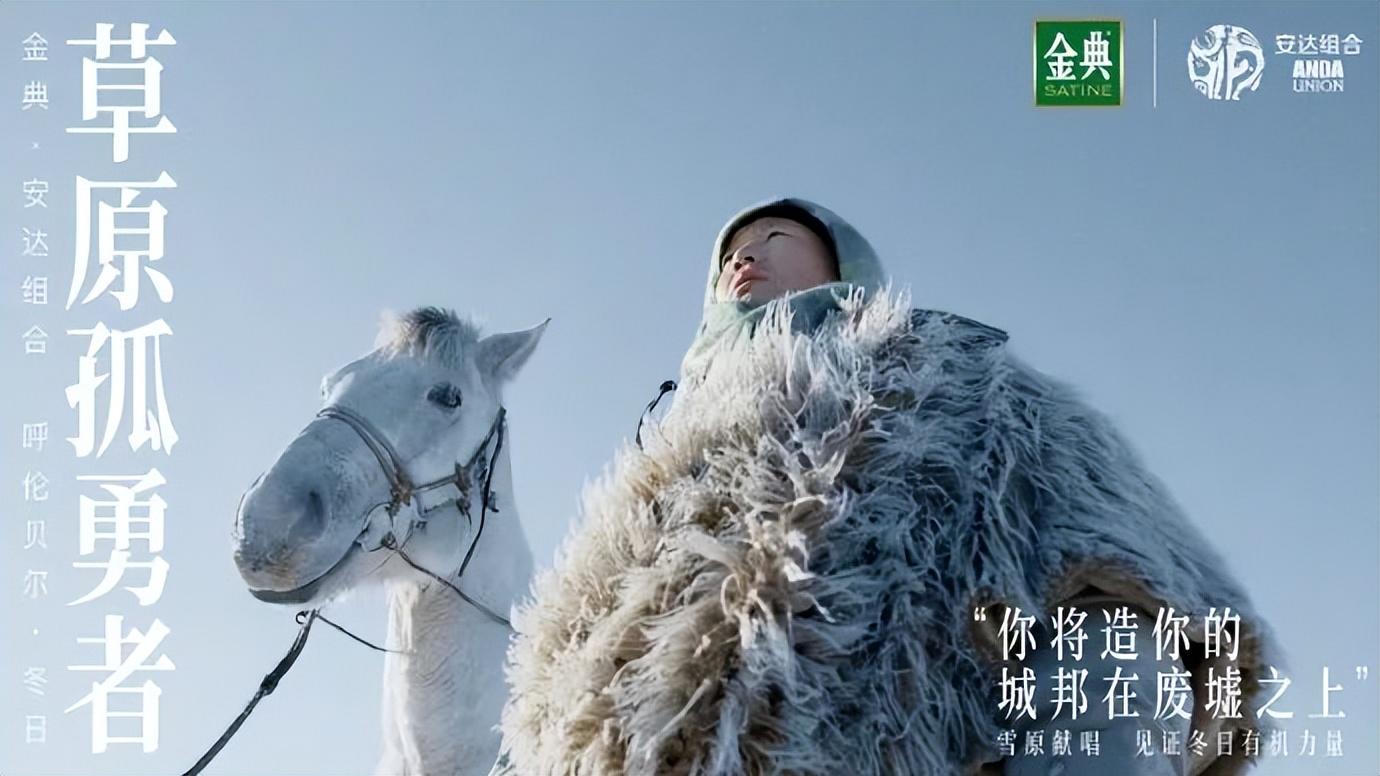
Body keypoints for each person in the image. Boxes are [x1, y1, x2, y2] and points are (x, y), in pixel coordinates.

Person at [493, 197, 1281, 776]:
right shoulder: (649, 474)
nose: (745, 256)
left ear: (846, 269)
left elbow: (1104, 588)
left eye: (776, 239)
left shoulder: (943, 380)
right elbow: (553, 704)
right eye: (731, 252)